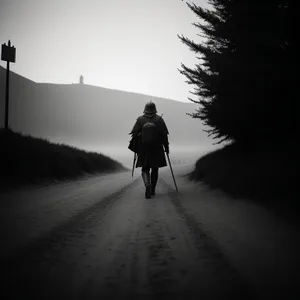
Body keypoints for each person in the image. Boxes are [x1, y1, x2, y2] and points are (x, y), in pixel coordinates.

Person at [129, 101, 169, 198]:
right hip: (157, 148)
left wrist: (136, 148)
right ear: (155, 109)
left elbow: (134, 134)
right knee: (155, 169)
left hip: (144, 148)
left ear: (145, 109)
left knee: (145, 168)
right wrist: (167, 148)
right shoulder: (159, 120)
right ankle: (153, 190)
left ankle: (147, 184)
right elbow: (164, 136)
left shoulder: (140, 119)